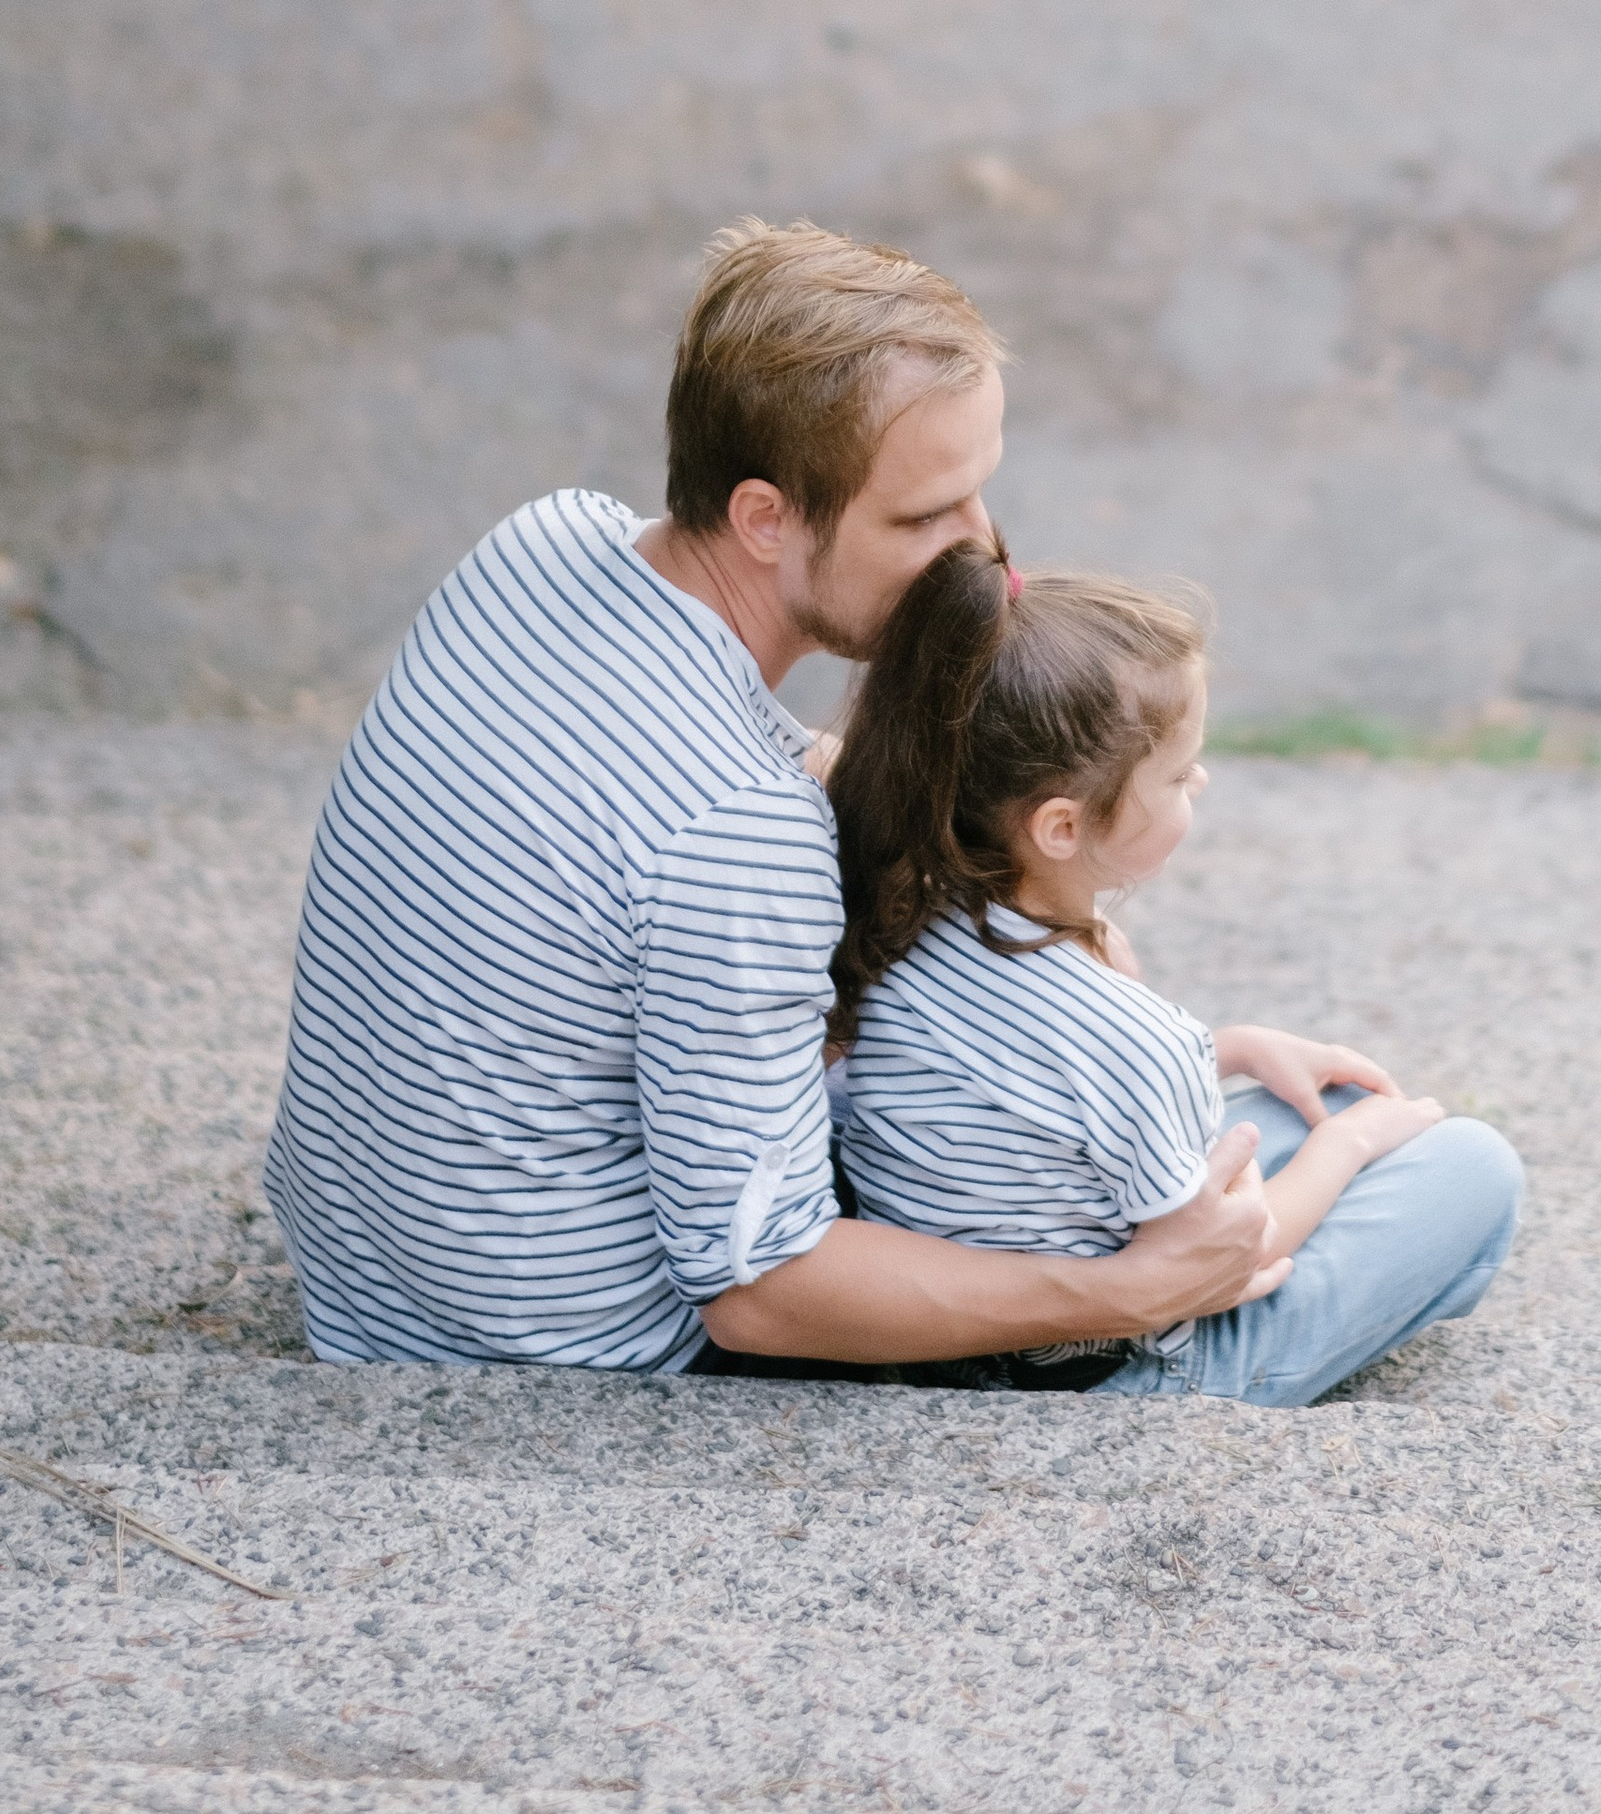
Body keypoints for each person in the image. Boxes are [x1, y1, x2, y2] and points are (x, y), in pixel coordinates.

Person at [263, 221, 1297, 1374]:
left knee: (1138, 1111)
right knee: (1390, 1171)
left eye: (978, 494)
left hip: (372, 1274)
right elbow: (759, 1293)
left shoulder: (544, 543)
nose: (983, 554)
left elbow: (726, 784)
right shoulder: (741, 837)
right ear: (764, 517)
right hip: (560, 1362)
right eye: (922, 517)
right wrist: (1126, 1291)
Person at [829, 539, 1524, 1403]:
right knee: (1469, 1163)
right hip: (1126, 1375)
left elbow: (1045, 1095)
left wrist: (1232, 1048)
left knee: (1327, 1106)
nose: (1203, 779)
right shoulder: (1134, 1038)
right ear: (1061, 827)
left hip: (948, 1337)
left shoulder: (902, 924)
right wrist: (1345, 1150)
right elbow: (1230, 1254)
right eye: (1177, 773)